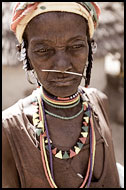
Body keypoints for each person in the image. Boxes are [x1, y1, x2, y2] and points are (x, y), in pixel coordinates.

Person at [2, 2, 120, 188]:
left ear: (91, 47)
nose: (62, 65)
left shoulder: (100, 103)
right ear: (25, 54)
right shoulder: (9, 129)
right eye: (43, 51)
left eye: (75, 47)